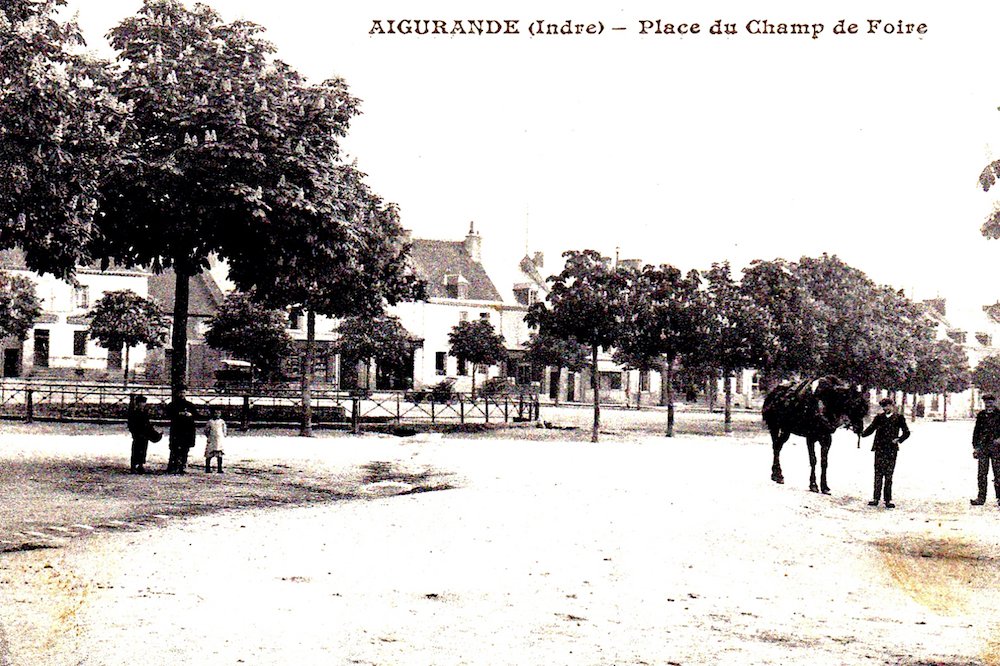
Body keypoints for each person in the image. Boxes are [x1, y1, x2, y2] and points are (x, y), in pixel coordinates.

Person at [861, 397, 910, 509]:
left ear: (892, 406)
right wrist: (862, 433)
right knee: (878, 474)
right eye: (883, 406)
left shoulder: (899, 418)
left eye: (887, 406)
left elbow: (906, 432)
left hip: (891, 449)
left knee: (888, 475)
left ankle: (888, 500)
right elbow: (871, 429)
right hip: (879, 448)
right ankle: (876, 498)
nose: (885, 408)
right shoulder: (879, 418)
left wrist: (899, 439)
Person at [971, 393, 1000, 506]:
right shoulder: (981, 415)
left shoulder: (999, 415)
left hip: (997, 449)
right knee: (982, 474)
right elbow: (976, 432)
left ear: (994, 402)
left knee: (998, 474)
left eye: (990, 402)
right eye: (986, 403)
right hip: (983, 448)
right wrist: (976, 447)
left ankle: (999, 497)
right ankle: (981, 498)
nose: (988, 405)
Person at [166, 389, 198, 474]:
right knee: (174, 448)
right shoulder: (172, 405)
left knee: (185, 449)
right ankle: (173, 465)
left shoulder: (190, 405)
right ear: (177, 393)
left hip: (187, 430)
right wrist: (178, 414)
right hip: (177, 429)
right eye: (180, 392)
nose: (182, 394)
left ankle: (183, 466)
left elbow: (197, 415)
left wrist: (190, 415)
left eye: (183, 392)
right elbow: (167, 414)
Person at [127, 395, 160, 474]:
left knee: (143, 450)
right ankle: (134, 466)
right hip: (138, 434)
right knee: (136, 450)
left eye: (144, 403)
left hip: (144, 434)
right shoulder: (134, 413)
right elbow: (131, 424)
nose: (143, 404)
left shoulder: (144, 413)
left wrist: (153, 432)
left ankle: (140, 465)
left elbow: (147, 424)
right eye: (141, 403)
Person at [204, 408, 227, 473]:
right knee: (209, 454)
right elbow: (206, 430)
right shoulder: (210, 422)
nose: (217, 415)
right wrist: (209, 436)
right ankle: (207, 468)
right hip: (211, 439)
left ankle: (219, 468)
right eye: (215, 413)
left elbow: (224, 430)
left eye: (218, 413)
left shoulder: (222, 421)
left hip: (219, 440)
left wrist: (223, 436)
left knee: (219, 455)